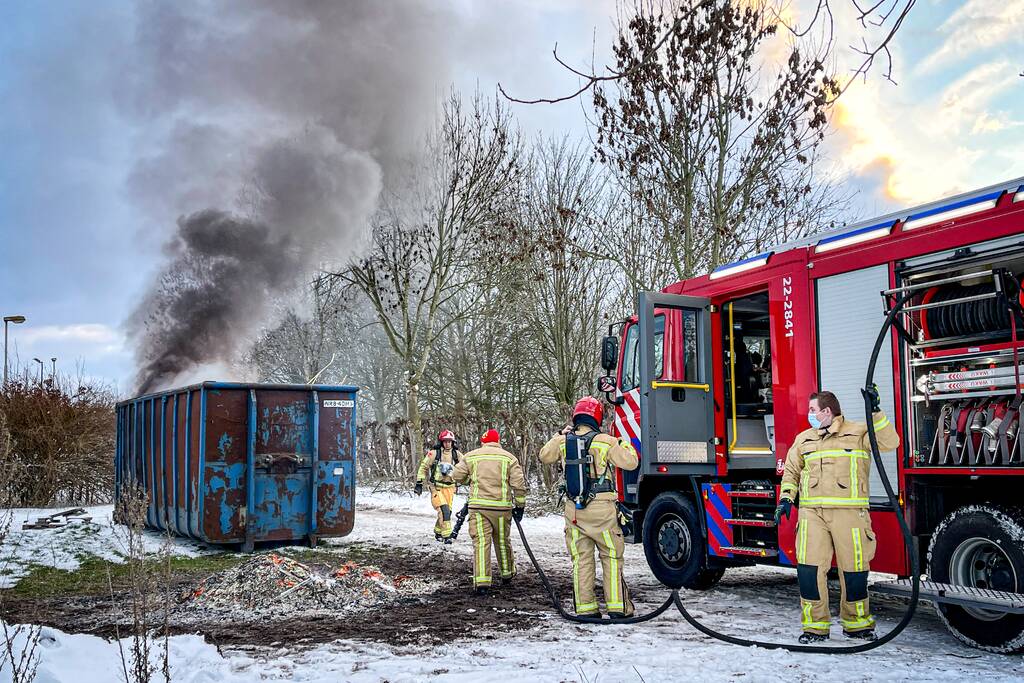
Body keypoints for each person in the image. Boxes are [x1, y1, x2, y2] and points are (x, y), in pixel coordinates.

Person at [775, 387, 899, 643]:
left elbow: (889, 442)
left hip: (850, 515)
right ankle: (814, 628)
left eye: (812, 410)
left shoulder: (858, 433)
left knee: (854, 572)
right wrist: (786, 498)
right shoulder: (804, 439)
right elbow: (791, 472)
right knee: (809, 571)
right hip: (811, 516)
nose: (809, 414)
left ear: (826, 411)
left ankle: (858, 625)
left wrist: (876, 411)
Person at [540, 397, 639, 618]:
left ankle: (585, 609)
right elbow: (631, 462)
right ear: (597, 417)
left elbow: (544, 455)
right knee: (611, 556)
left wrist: (559, 435)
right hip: (602, 508)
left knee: (581, 559)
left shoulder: (565, 441)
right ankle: (618, 608)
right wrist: (623, 443)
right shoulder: (605, 441)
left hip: (574, 510)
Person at [452, 429, 527, 595]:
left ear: (482, 441)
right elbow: (518, 484)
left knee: (481, 543)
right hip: (502, 508)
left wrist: (468, 479)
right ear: (498, 441)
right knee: (502, 540)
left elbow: (456, 475)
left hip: (478, 508)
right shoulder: (509, 458)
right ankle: (507, 574)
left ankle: (482, 582)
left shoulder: (471, 456)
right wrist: (520, 506)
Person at [414, 429, 463, 542]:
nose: (447, 444)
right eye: (445, 441)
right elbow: (423, 467)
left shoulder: (457, 455)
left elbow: (466, 468)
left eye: (449, 441)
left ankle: (438, 531)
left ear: (453, 442)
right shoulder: (434, 454)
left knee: (447, 512)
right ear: (441, 442)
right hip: (436, 487)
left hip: (450, 487)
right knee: (444, 510)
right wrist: (419, 483)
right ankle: (447, 536)